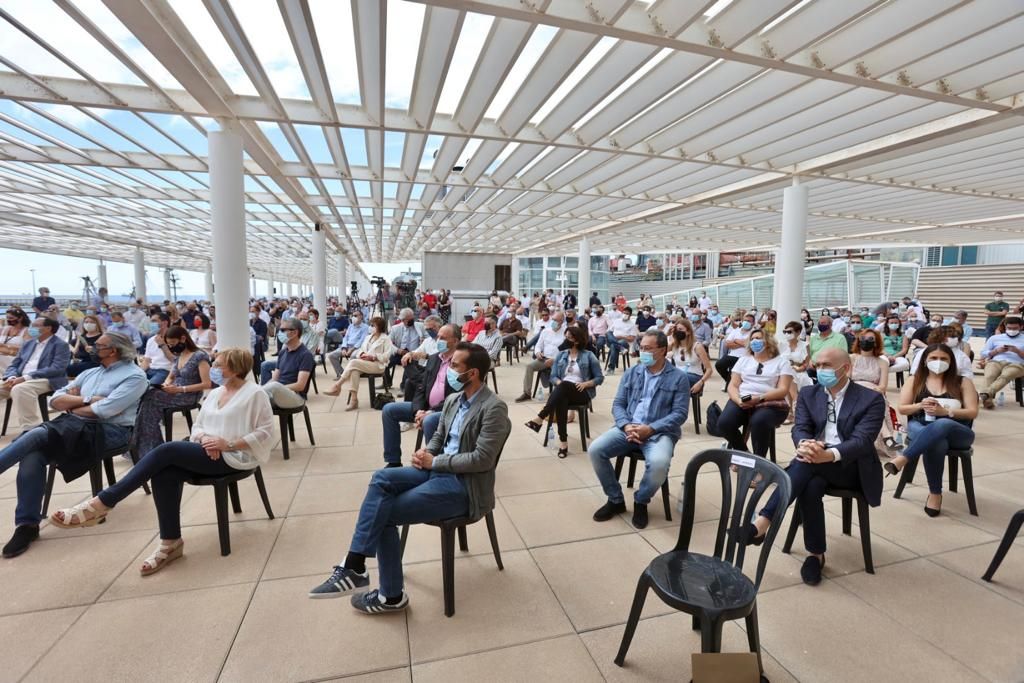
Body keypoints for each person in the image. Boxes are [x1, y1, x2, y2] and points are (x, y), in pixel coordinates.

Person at [308, 342, 510, 612]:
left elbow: (482, 459)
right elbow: (440, 435)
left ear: (472, 373)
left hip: (463, 486)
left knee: (384, 514)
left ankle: (390, 596)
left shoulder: (493, 408)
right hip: (434, 471)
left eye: (454, 365)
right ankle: (355, 565)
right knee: (382, 478)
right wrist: (426, 451)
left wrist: (435, 460)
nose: (448, 369)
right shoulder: (453, 400)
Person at [50, 348, 274, 574]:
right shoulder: (215, 394)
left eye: (219, 365)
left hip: (234, 456)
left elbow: (265, 432)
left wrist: (229, 444)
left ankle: (102, 502)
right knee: (164, 473)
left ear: (235, 368)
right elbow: (198, 426)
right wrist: (206, 439)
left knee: (167, 451)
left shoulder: (255, 393)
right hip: (208, 451)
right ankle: (170, 543)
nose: (214, 369)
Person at [744, 347, 885, 585]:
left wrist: (828, 454)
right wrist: (804, 444)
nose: (820, 370)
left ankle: (763, 521)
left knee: (807, 465)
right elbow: (800, 428)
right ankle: (815, 554)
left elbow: (862, 441)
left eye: (826, 366)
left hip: (851, 467)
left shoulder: (870, 399)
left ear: (846, 368)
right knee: (810, 482)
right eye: (817, 365)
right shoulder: (809, 394)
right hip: (813, 459)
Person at [0, 332, 147, 558]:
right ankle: (27, 526)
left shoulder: (134, 376)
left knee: (37, 434)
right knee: (32, 454)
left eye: (98, 346)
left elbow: (106, 411)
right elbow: (54, 401)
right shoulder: (89, 373)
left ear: (113, 350)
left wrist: (74, 406)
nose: (91, 349)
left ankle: (26, 521)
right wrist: (87, 400)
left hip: (110, 432)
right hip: (71, 427)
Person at [589, 330, 689, 529]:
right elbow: (618, 403)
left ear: (662, 350)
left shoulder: (679, 378)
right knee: (595, 450)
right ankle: (615, 500)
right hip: (628, 427)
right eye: (641, 348)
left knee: (660, 463)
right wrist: (626, 425)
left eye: (648, 348)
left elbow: (680, 414)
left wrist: (651, 429)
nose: (642, 352)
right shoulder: (632, 372)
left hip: (659, 432)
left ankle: (641, 500)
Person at [887, 343, 979, 516]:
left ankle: (903, 459)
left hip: (958, 430)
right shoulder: (915, 380)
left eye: (943, 359)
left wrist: (945, 412)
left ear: (951, 362)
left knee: (943, 424)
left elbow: (973, 412)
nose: (938, 362)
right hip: (920, 424)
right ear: (924, 361)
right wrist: (920, 405)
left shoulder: (963, 381)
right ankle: (935, 493)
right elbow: (903, 408)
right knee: (936, 442)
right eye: (934, 358)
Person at [381, 324, 460, 466]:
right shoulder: (435, 358)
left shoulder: (461, 362)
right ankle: (393, 461)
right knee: (389, 410)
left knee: (429, 420)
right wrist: (418, 410)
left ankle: (434, 464)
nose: (438, 340)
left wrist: (430, 412)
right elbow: (422, 388)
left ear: (455, 341)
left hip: (447, 410)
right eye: (438, 337)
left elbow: (457, 396)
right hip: (426, 408)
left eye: (443, 338)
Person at [129, 327, 212, 459]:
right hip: (174, 391)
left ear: (183, 339)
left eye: (173, 343)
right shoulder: (179, 356)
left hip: (189, 394)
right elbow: (171, 376)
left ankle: (147, 445)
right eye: (169, 344)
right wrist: (166, 384)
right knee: (147, 396)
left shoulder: (199, 356)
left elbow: (207, 383)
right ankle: (148, 445)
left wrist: (180, 389)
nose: (171, 347)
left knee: (150, 398)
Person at [524, 325, 603, 457]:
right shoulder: (560, 355)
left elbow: (599, 378)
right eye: (565, 337)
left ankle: (540, 418)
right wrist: (559, 383)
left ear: (576, 341)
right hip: (563, 390)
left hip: (582, 392)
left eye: (569, 338)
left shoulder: (589, 356)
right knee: (562, 398)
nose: (566, 340)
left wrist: (586, 384)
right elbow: (553, 377)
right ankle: (563, 443)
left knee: (563, 389)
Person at [718, 329, 794, 460]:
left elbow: (783, 389)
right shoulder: (743, 360)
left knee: (759, 422)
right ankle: (745, 454)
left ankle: (760, 463)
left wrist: (759, 398)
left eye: (758, 338)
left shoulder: (782, 362)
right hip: (743, 397)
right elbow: (733, 385)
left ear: (768, 342)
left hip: (768, 401)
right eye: (752, 339)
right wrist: (738, 400)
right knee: (724, 423)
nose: (754, 341)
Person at [0, 317, 71, 434]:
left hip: (47, 379)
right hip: (19, 378)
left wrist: (25, 378)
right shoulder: (28, 343)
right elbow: (14, 364)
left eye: (35, 326)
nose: (31, 328)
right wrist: (11, 377)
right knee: (10, 386)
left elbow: (57, 369)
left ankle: (30, 429)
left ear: (48, 328)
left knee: (20, 389)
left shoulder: (60, 345)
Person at [324, 316, 394, 409]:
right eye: (371, 325)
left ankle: (337, 386)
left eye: (373, 325)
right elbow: (361, 349)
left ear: (379, 327)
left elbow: (387, 356)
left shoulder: (385, 339)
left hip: (378, 365)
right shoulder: (368, 337)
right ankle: (354, 400)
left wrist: (374, 357)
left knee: (353, 363)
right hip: (364, 362)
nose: (371, 327)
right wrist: (362, 355)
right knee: (354, 371)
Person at [262, 318, 315, 409]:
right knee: (255, 401)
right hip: (279, 393)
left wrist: (279, 388)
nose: (280, 333)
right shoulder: (283, 352)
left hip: (296, 397)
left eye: (282, 330)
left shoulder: (305, 355)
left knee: (269, 390)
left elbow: (300, 385)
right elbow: (274, 379)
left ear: (295, 332)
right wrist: (265, 388)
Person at [515, 311, 564, 402]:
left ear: (561, 321)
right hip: (544, 359)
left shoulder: (565, 333)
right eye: (553, 319)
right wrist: (537, 352)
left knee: (559, 371)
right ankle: (527, 393)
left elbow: (566, 351)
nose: (553, 322)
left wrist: (555, 359)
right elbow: (538, 346)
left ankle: (558, 394)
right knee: (529, 366)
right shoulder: (545, 331)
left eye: (556, 320)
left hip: (558, 360)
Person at [977, 316, 1024, 409]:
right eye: (1009, 328)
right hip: (996, 361)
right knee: (990, 375)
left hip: (1017, 364)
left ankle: (985, 394)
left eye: (1015, 328)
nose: (1012, 330)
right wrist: (996, 351)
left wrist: (1017, 351)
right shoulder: (995, 338)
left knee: (1006, 376)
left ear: (1021, 327)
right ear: (1005, 327)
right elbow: (983, 353)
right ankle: (987, 400)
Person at [666, 318, 712, 397]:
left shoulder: (697, 347)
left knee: (677, 380)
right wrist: (666, 334)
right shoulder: (673, 345)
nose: (678, 331)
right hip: (678, 377)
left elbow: (709, 369)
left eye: (680, 329)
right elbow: (659, 351)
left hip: (694, 377)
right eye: (676, 329)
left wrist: (701, 382)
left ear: (688, 332)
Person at [779, 321, 811, 424]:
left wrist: (799, 368)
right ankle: (793, 410)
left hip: (799, 373)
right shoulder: (781, 344)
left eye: (789, 332)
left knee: (791, 378)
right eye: (785, 332)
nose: (787, 334)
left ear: (798, 332)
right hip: (785, 373)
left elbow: (807, 363)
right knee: (788, 377)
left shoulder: (804, 345)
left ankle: (794, 411)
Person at [327, 310, 369, 378]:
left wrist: (351, 350)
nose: (353, 317)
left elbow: (362, 341)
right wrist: (344, 348)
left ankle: (349, 374)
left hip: (357, 348)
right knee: (331, 355)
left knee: (353, 356)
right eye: (353, 316)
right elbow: (345, 338)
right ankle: (341, 374)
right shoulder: (350, 326)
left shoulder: (365, 327)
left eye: (355, 316)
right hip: (346, 346)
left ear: (361, 317)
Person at [715, 313, 754, 384]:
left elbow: (749, 345)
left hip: (744, 357)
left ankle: (731, 384)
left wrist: (735, 340)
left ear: (753, 323)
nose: (746, 322)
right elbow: (727, 344)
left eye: (749, 321)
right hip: (731, 355)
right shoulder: (736, 331)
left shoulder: (754, 333)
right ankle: (730, 382)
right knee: (719, 364)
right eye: (745, 320)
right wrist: (743, 343)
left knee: (733, 370)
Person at [140, 312, 175, 386]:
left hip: (165, 371)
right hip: (150, 370)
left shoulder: (174, 338)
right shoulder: (151, 339)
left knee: (147, 388)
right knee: (134, 385)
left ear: (165, 323)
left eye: (154, 321)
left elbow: (175, 360)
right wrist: (138, 373)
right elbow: (147, 360)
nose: (151, 324)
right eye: (151, 321)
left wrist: (162, 345)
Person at [606, 306, 638, 374]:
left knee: (613, 346)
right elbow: (610, 331)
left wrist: (622, 337)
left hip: (624, 342)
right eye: (624, 313)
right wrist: (615, 338)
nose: (625, 315)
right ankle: (621, 348)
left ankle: (611, 368)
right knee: (608, 333)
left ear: (630, 315)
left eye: (627, 314)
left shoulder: (632, 325)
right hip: (613, 339)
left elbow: (632, 338)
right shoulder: (616, 321)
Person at [0, 307, 30, 373]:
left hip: (15, 358)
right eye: (7, 318)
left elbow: (29, 348)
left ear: (20, 318)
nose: (8, 320)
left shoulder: (29, 330)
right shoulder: (4, 329)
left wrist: (6, 346)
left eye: (11, 318)